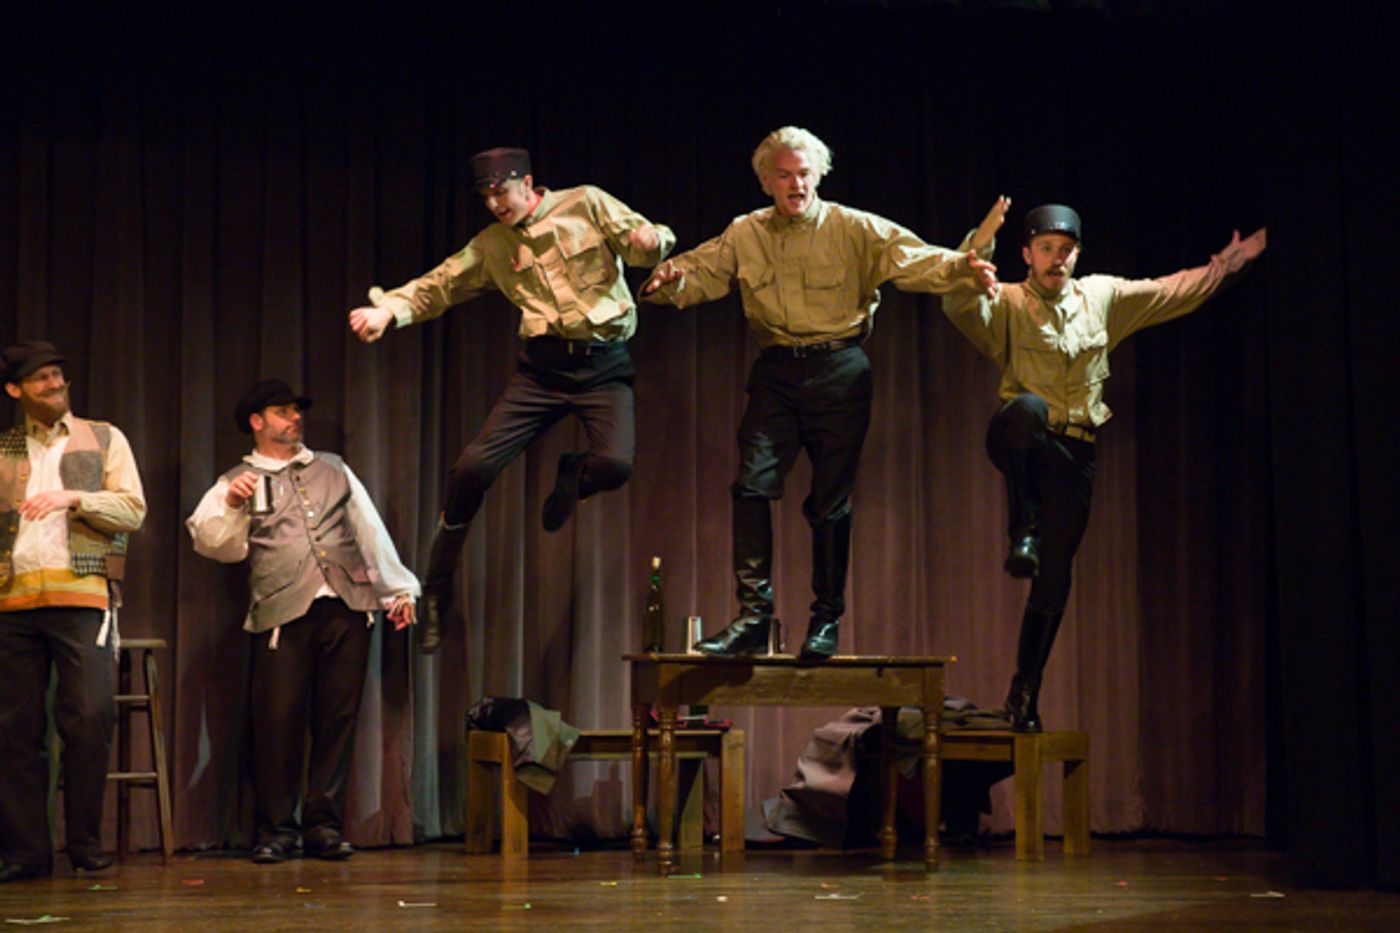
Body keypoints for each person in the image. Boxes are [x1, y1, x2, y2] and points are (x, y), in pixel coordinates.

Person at [642, 126, 996, 660]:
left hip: (840, 371)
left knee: (830, 503)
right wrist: (667, 283)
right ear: (766, 181)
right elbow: (704, 270)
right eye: (784, 175)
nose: (796, 184)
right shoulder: (747, 232)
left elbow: (916, 260)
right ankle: (754, 617)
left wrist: (963, 267)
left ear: (819, 175)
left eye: (804, 173)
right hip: (777, 371)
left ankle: (825, 620)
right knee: (752, 486)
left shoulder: (855, 228)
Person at [943, 196, 1267, 731]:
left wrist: (1232, 261)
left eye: (1066, 250)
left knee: (1055, 579)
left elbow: (1171, 291)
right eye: (1046, 249)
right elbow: (957, 303)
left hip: (1075, 452)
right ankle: (1022, 531)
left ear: (1077, 255)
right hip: (1020, 440)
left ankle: (1024, 693)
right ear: (1026, 253)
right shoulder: (1004, 300)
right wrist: (977, 246)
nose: (1057, 259)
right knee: (1027, 408)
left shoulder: (1103, 297)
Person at [348, 147, 675, 653]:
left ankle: (574, 474)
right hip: (541, 373)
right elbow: (441, 284)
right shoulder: (492, 245)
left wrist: (650, 242)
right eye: (486, 196)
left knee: (613, 465)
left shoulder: (585, 203)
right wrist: (389, 311)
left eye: (502, 191)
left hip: (603, 364)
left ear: (528, 183)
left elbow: (643, 244)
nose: (495, 203)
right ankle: (435, 587)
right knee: (471, 469)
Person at [186, 379, 419, 863]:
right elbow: (215, 545)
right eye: (283, 411)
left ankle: (323, 827)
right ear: (257, 422)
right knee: (278, 724)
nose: (294, 418)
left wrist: (397, 590)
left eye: (296, 410)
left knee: (337, 720)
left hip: (348, 607)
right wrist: (232, 503)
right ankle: (276, 830)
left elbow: (368, 529)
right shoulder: (237, 478)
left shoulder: (332, 468)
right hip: (282, 614)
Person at [0, 339, 146, 882]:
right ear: (16, 391)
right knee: (15, 730)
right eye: (41, 379)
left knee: (88, 717)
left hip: (83, 597)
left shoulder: (103, 438)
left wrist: (73, 499)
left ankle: (84, 842)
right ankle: (26, 853)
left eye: (58, 374)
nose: (55, 384)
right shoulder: (5, 448)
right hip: (12, 604)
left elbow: (132, 510)